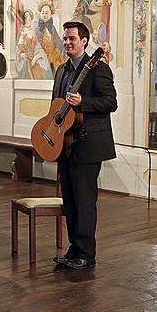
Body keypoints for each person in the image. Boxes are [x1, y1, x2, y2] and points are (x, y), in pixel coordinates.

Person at [52, 21, 117, 269]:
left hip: (88, 144)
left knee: (85, 200)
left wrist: (83, 101)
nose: (67, 42)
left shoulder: (97, 69)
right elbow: (56, 105)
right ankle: (73, 249)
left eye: (72, 39)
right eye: (66, 39)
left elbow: (110, 102)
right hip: (65, 143)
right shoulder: (61, 70)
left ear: (85, 41)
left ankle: (86, 253)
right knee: (69, 200)